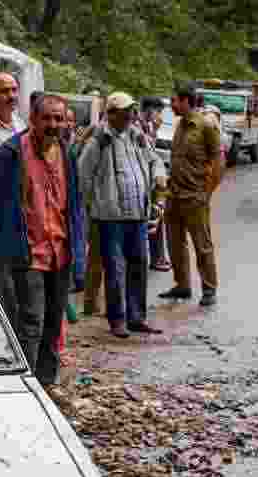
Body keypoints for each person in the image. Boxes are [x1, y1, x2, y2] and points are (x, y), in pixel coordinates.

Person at [0, 94, 88, 387]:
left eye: (58, 119)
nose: (53, 124)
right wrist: (4, 239)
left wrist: (78, 248)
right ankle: (25, 386)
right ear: (33, 120)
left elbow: (74, 203)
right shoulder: (10, 154)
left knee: (53, 324)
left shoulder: (66, 154)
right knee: (31, 322)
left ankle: (47, 382)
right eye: (47, 118)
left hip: (60, 252)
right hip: (28, 254)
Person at [78, 92, 166, 338]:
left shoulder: (136, 135)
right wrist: (91, 207)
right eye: (125, 111)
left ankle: (136, 317)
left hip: (137, 212)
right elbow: (83, 175)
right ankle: (117, 319)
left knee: (139, 264)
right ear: (112, 113)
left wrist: (158, 177)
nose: (130, 115)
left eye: (131, 110)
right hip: (109, 216)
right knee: (115, 268)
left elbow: (154, 160)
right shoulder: (99, 140)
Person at [160, 84, 223, 307]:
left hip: (195, 197)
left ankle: (209, 288)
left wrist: (207, 193)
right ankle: (182, 285)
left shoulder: (206, 126)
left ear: (186, 101)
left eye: (174, 100)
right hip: (174, 196)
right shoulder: (179, 125)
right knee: (175, 243)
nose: (172, 105)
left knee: (201, 244)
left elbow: (218, 163)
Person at [141, 97, 172, 273]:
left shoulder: (149, 126)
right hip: (144, 181)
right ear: (149, 110)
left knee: (157, 215)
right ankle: (156, 257)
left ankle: (157, 257)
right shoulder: (138, 126)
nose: (160, 116)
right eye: (158, 111)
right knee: (153, 216)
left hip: (152, 180)